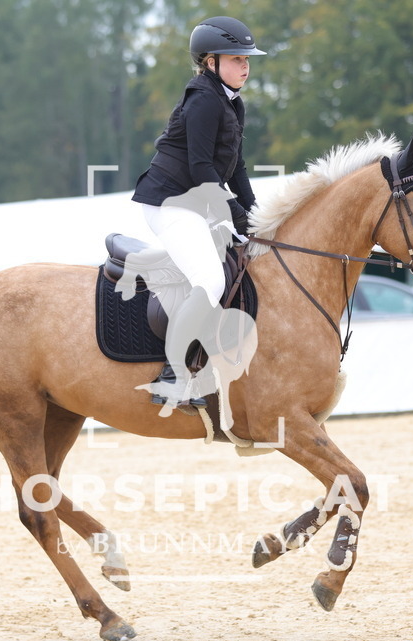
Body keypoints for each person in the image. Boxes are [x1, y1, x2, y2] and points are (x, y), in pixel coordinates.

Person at [131, 16, 265, 410]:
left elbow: (235, 167)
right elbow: (202, 167)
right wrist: (236, 216)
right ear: (210, 62)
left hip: (196, 202)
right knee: (209, 279)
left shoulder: (230, 101)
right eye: (236, 58)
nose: (245, 65)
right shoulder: (205, 99)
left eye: (247, 58)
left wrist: (255, 215)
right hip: (170, 202)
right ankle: (172, 376)